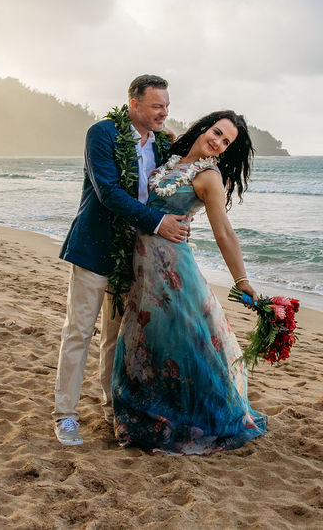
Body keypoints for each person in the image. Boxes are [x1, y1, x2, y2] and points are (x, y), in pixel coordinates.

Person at [112, 110, 267, 455]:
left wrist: (242, 280)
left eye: (226, 142)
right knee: (152, 340)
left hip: (173, 272)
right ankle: (151, 412)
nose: (218, 142)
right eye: (216, 132)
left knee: (183, 343)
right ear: (204, 128)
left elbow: (224, 232)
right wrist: (159, 126)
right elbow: (165, 133)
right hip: (145, 270)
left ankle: (187, 420)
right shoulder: (174, 157)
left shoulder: (209, 177)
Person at [54, 75, 192, 446]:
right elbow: (109, 193)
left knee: (116, 338)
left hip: (134, 255)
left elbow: (174, 183)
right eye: (157, 106)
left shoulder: (161, 143)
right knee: (79, 332)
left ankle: (112, 407)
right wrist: (160, 222)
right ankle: (65, 416)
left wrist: (180, 214)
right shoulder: (102, 133)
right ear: (134, 104)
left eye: (167, 106)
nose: (164, 112)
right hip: (94, 248)